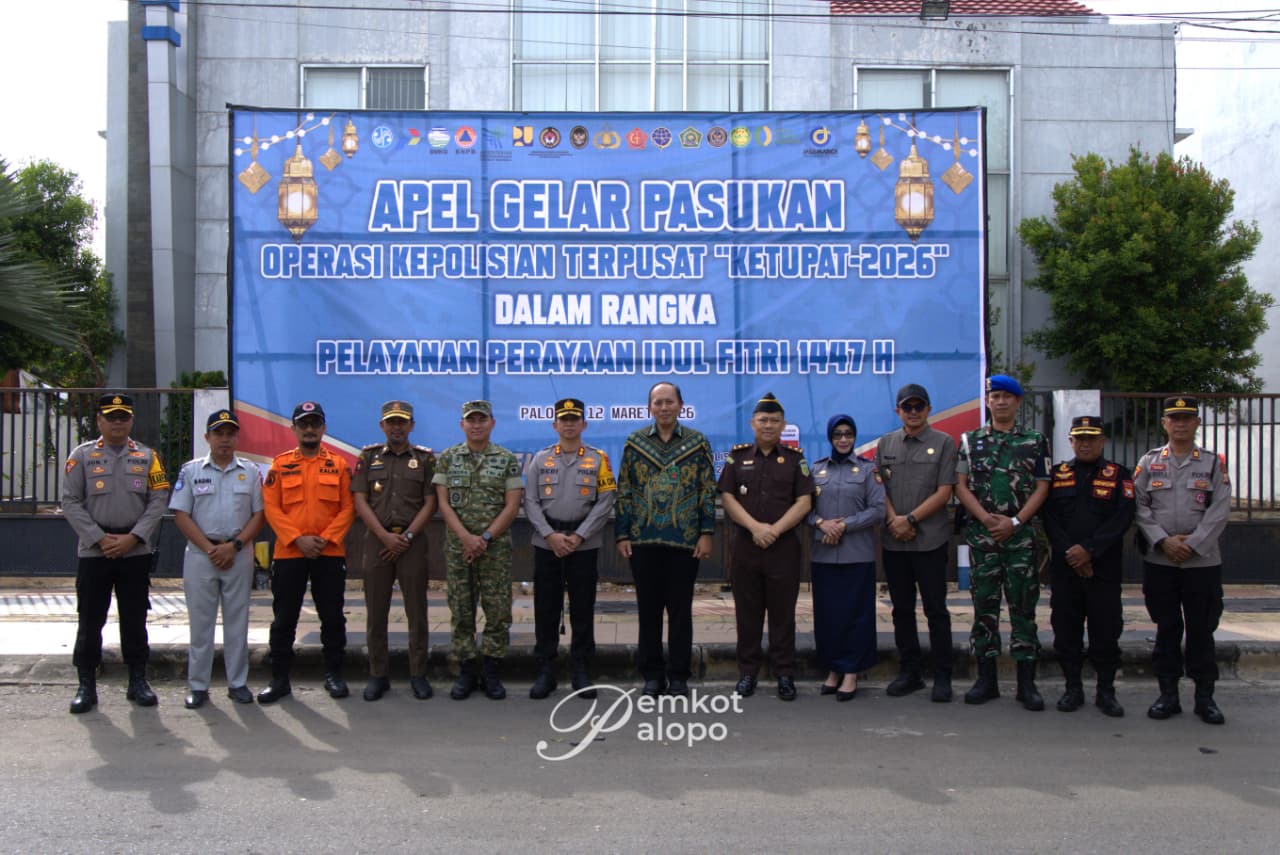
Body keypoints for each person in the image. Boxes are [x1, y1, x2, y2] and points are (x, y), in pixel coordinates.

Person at [61, 393, 170, 714]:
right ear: (100, 420)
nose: (118, 422)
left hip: (134, 551)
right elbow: (70, 501)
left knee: (135, 620)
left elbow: (158, 500)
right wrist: (98, 538)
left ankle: (138, 680)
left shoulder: (149, 457)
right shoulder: (81, 456)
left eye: (124, 416)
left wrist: (133, 537)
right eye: (112, 416)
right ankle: (86, 684)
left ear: (132, 420)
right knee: (90, 620)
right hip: (95, 552)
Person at [954, 374, 1051, 710]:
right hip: (983, 538)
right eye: (995, 396)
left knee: (1023, 608)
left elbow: (1042, 486)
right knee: (985, 609)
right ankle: (986, 680)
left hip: (1020, 537)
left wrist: (1014, 521)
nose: (1001, 402)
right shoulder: (971, 440)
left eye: (1008, 397)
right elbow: (961, 486)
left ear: (1018, 402)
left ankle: (1027, 684)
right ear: (989, 401)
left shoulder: (1035, 441)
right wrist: (986, 519)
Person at [615, 381, 716, 698]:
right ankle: (652, 675)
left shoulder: (698, 443)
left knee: (681, 611)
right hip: (643, 541)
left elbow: (706, 491)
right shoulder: (635, 443)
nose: (663, 407)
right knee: (648, 610)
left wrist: (706, 533)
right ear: (649, 407)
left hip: (685, 542)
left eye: (669, 402)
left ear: (681, 405)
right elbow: (625, 490)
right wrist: (622, 533)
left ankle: (679, 677)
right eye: (657, 402)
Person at [1134, 396, 1231, 725]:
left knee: (1202, 630)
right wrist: (1162, 540)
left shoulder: (1213, 463)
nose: (1180, 424)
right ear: (1164, 423)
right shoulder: (1149, 462)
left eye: (1187, 418)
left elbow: (1220, 510)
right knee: (1167, 629)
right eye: (1174, 418)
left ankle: (1205, 698)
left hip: (1200, 563)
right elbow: (1140, 506)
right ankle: (1168, 695)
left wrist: (1193, 544)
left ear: (1197, 424)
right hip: (1161, 561)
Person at [717, 393, 815, 701]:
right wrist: (755, 528)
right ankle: (747, 673)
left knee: (783, 614)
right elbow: (727, 497)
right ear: (753, 424)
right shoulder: (738, 457)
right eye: (763, 420)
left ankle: (784, 672)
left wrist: (774, 530)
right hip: (747, 546)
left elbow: (805, 501)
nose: (768, 425)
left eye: (774, 420)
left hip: (783, 547)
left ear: (783, 424)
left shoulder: (795, 459)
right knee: (747, 614)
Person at [259, 401, 355, 703]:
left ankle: (334, 675)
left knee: (332, 617)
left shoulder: (338, 465)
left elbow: (348, 508)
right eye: (304, 424)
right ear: (294, 429)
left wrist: (325, 540)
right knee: (284, 618)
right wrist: (297, 538)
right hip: (289, 553)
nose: (310, 429)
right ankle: (279, 679)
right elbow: (271, 507)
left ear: (324, 428)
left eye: (315, 424)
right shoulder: (280, 464)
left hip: (329, 553)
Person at [170, 409, 265, 709]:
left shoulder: (250, 472)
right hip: (201, 555)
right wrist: (210, 549)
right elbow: (181, 514)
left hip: (238, 553)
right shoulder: (190, 471)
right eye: (219, 433)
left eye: (230, 433)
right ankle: (198, 686)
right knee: (201, 623)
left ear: (237, 437)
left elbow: (259, 515)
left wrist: (234, 546)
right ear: (207, 437)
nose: (225, 439)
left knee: (237, 622)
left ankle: (237, 683)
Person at [523, 397, 617, 700]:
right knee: (546, 608)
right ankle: (546, 669)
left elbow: (606, 501)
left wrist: (579, 536)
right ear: (554, 424)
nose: (569, 424)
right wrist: (550, 535)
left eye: (574, 419)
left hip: (584, 544)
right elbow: (529, 501)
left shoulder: (598, 459)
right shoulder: (540, 459)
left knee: (582, 608)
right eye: (563, 419)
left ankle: (581, 669)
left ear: (583, 424)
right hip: (546, 542)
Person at [1043, 416, 1135, 717]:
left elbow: (1123, 517)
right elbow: (1049, 518)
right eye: (1079, 438)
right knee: (1066, 631)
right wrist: (1073, 553)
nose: (1085, 443)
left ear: (1102, 441)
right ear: (1070, 441)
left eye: (1091, 438)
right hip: (1066, 569)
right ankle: (1073, 688)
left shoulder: (1118, 475)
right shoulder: (1057, 474)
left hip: (1103, 570)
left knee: (1105, 632)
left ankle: (1105, 691)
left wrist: (1090, 551)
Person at [432, 400, 523, 701]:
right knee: (461, 610)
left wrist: (483, 537)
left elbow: (512, 505)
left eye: (482, 419)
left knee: (497, 610)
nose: (476, 425)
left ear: (492, 423)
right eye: (471, 420)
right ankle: (468, 670)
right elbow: (443, 504)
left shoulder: (507, 459)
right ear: (462, 425)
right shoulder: (447, 458)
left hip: (494, 549)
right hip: (459, 549)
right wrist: (466, 538)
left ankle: (492, 671)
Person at [875, 383, 958, 702]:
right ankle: (910, 672)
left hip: (930, 541)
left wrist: (909, 521)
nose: (913, 412)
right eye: (907, 407)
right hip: (895, 542)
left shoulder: (944, 443)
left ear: (928, 409)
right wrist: (895, 520)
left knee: (936, 609)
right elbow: (879, 487)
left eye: (918, 407)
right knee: (902, 610)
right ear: (898, 411)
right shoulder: (886, 443)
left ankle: (943, 675)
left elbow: (944, 491)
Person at [351, 400, 437, 702]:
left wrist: (408, 535)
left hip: (412, 543)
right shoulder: (368, 457)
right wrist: (384, 536)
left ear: (411, 426)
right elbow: (360, 501)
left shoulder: (425, 459)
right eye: (391, 422)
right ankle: (378, 674)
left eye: (402, 422)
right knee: (376, 611)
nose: (397, 427)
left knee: (417, 611)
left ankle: (418, 674)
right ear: (382, 426)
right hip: (377, 542)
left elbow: (431, 502)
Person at [807, 414, 884, 701]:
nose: (843, 439)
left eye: (848, 434)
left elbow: (878, 509)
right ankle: (833, 670)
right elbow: (805, 508)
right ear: (830, 437)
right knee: (828, 616)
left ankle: (851, 672)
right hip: (823, 554)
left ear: (854, 437)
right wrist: (820, 523)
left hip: (857, 554)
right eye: (838, 434)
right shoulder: (816, 471)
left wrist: (843, 525)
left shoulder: (867, 470)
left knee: (856, 615)